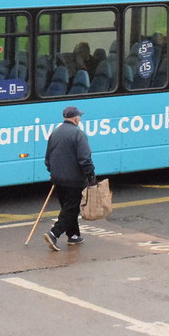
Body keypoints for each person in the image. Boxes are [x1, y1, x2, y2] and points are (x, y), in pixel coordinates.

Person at [43, 106, 96, 251]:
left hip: (57, 178)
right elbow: (85, 159)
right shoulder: (78, 134)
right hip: (74, 179)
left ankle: (73, 235)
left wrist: (52, 172)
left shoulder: (55, 133)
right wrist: (91, 176)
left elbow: (48, 158)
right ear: (76, 118)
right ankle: (54, 233)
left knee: (68, 208)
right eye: (79, 116)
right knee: (71, 209)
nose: (79, 119)